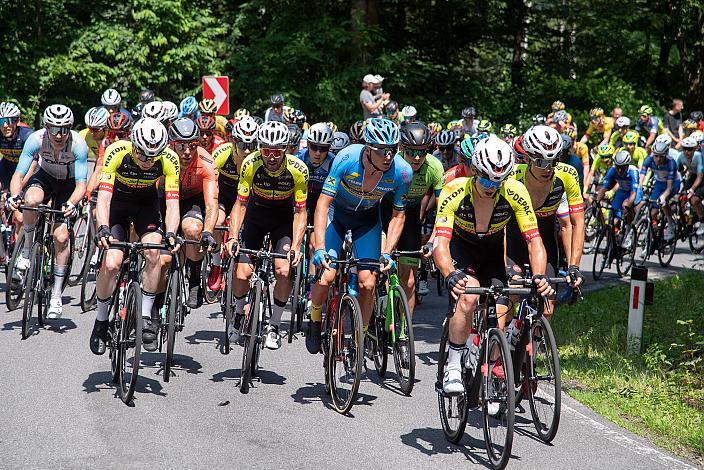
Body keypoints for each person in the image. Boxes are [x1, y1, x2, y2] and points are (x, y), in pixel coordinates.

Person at [432, 136, 552, 395]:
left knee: (500, 313)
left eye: (497, 181)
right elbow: (440, 243)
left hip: (492, 255)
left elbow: (534, 241)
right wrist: (450, 273)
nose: (491, 186)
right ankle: (453, 364)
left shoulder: (514, 192)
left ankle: (491, 374)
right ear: (474, 170)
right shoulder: (455, 189)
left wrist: (540, 275)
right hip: (461, 252)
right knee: (467, 296)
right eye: (486, 178)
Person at [305, 118, 411, 355]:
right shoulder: (346, 158)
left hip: (367, 221)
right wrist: (320, 247)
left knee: (368, 283)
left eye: (393, 150)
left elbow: (398, 215)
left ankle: (359, 338)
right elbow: (323, 204)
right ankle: (314, 319)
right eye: (383, 151)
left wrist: (387, 252)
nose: (389, 156)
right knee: (325, 276)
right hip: (337, 216)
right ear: (368, 148)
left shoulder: (402, 173)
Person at [90, 117, 180, 354]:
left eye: (153, 156)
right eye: (142, 154)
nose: (147, 161)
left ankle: (145, 316)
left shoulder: (169, 159)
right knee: (112, 263)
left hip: (146, 206)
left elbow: (172, 204)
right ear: (133, 144)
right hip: (117, 205)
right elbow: (105, 198)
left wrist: (170, 233)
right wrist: (103, 227)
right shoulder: (116, 152)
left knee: (154, 253)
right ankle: (101, 321)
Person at [224, 121, 309, 350]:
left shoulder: (298, 170)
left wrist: (297, 245)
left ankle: (273, 325)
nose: (271, 156)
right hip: (255, 217)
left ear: (285, 150)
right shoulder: (250, 164)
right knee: (242, 274)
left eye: (277, 151)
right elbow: (240, 205)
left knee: (283, 270)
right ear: (260, 148)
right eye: (266, 150)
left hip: (282, 220)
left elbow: (301, 212)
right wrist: (232, 236)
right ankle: (240, 312)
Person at [6, 105, 88, 319]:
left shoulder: (78, 144)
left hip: (69, 185)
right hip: (46, 177)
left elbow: (81, 185)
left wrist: (71, 204)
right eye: (54, 129)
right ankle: (25, 253)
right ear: (46, 127)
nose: (59, 135)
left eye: (64, 129)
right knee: (30, 200)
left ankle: (56, 295)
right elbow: (19, 174)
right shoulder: (35, 139)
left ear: (70, 128)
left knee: (61, 237)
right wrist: (14, 196)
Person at [506, 126, 584, 320]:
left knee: (547, 305)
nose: (548, 168)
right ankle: (497, 346)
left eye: (553, 161)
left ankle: (533, 348)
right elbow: (497, 223)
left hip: (545, 241)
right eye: (541, 161)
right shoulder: (512, 175)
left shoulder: (567, 175)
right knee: (508, 299)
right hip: (513, 241)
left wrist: (574, 265)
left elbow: (575, 224)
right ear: (528, 158)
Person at [382, 122, 444, 318]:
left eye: (423, 151)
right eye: (411, 151)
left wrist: (433, 241)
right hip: (385, 213)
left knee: (408, 281)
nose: (417, 157)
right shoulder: (391, 164)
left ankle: (403, 331)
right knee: (382, 268)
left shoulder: (434, 167)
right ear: (401, 148)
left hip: (410, 217)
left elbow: (444, 211)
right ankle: (381, 312)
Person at [169, 118, 219, 308]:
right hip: (164, 199)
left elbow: (212, 204)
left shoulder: (206, 162)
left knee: (192, 230)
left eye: (193, 145)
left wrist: (207, 231)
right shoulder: (161, 157)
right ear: (172, 144)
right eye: (181, 146)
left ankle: (195, 281)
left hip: (193, 201)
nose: (187, 151)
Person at [209, 117, 260, 293]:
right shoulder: (221, 154)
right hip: (224, 195)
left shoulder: (258, 160)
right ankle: (216, 265)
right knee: (216, 222)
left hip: (246, 199)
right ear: (233, 142)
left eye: (252, 146)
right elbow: (211, 187)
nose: (247, 151)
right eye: (242, 145)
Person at [639, 137, 681, 240]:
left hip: (673, 184)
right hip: (659, 183)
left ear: (665, 155)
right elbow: (642, 176)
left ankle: (670, 223)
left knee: (663, 203)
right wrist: (639, 188)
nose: (658, 159)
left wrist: (663, 197)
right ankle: (653, 232)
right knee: (653, 212)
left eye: (661, 157)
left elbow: (669, 187)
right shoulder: (649, 159)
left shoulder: (671, 163)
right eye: (656, 156)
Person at [597, 150, 642, 234]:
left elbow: (633, 194)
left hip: (634, 191)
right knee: (613, 213)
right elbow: (604, 188)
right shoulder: (612, 170)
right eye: (618, 167)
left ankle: (629, 230)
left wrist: (627, 206)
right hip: (622, 190)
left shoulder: (633, 171)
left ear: (628, 165)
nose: (620, 170)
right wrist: (597, 201)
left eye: (623, 167)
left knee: (626, 206)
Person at [0, 102, 34, 192]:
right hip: (7, 167)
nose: (5, 126)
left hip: (28, 170)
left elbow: (33, 165)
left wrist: (16, 190)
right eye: (1, 121)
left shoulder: (27, 135)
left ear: (17, 121)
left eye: (9, 121)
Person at [677, 136, 704, 235]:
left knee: (694, 200)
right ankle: (684, 221)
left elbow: (700, 177)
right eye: (685, 149)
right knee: (681, 199)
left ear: (695, 149)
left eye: (690, 149)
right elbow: (678, 169)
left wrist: (692, 190)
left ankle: (702, 221)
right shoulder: (681, 156)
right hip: (692, 176)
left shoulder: (698, 156)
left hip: (701, 178)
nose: (687, 152)